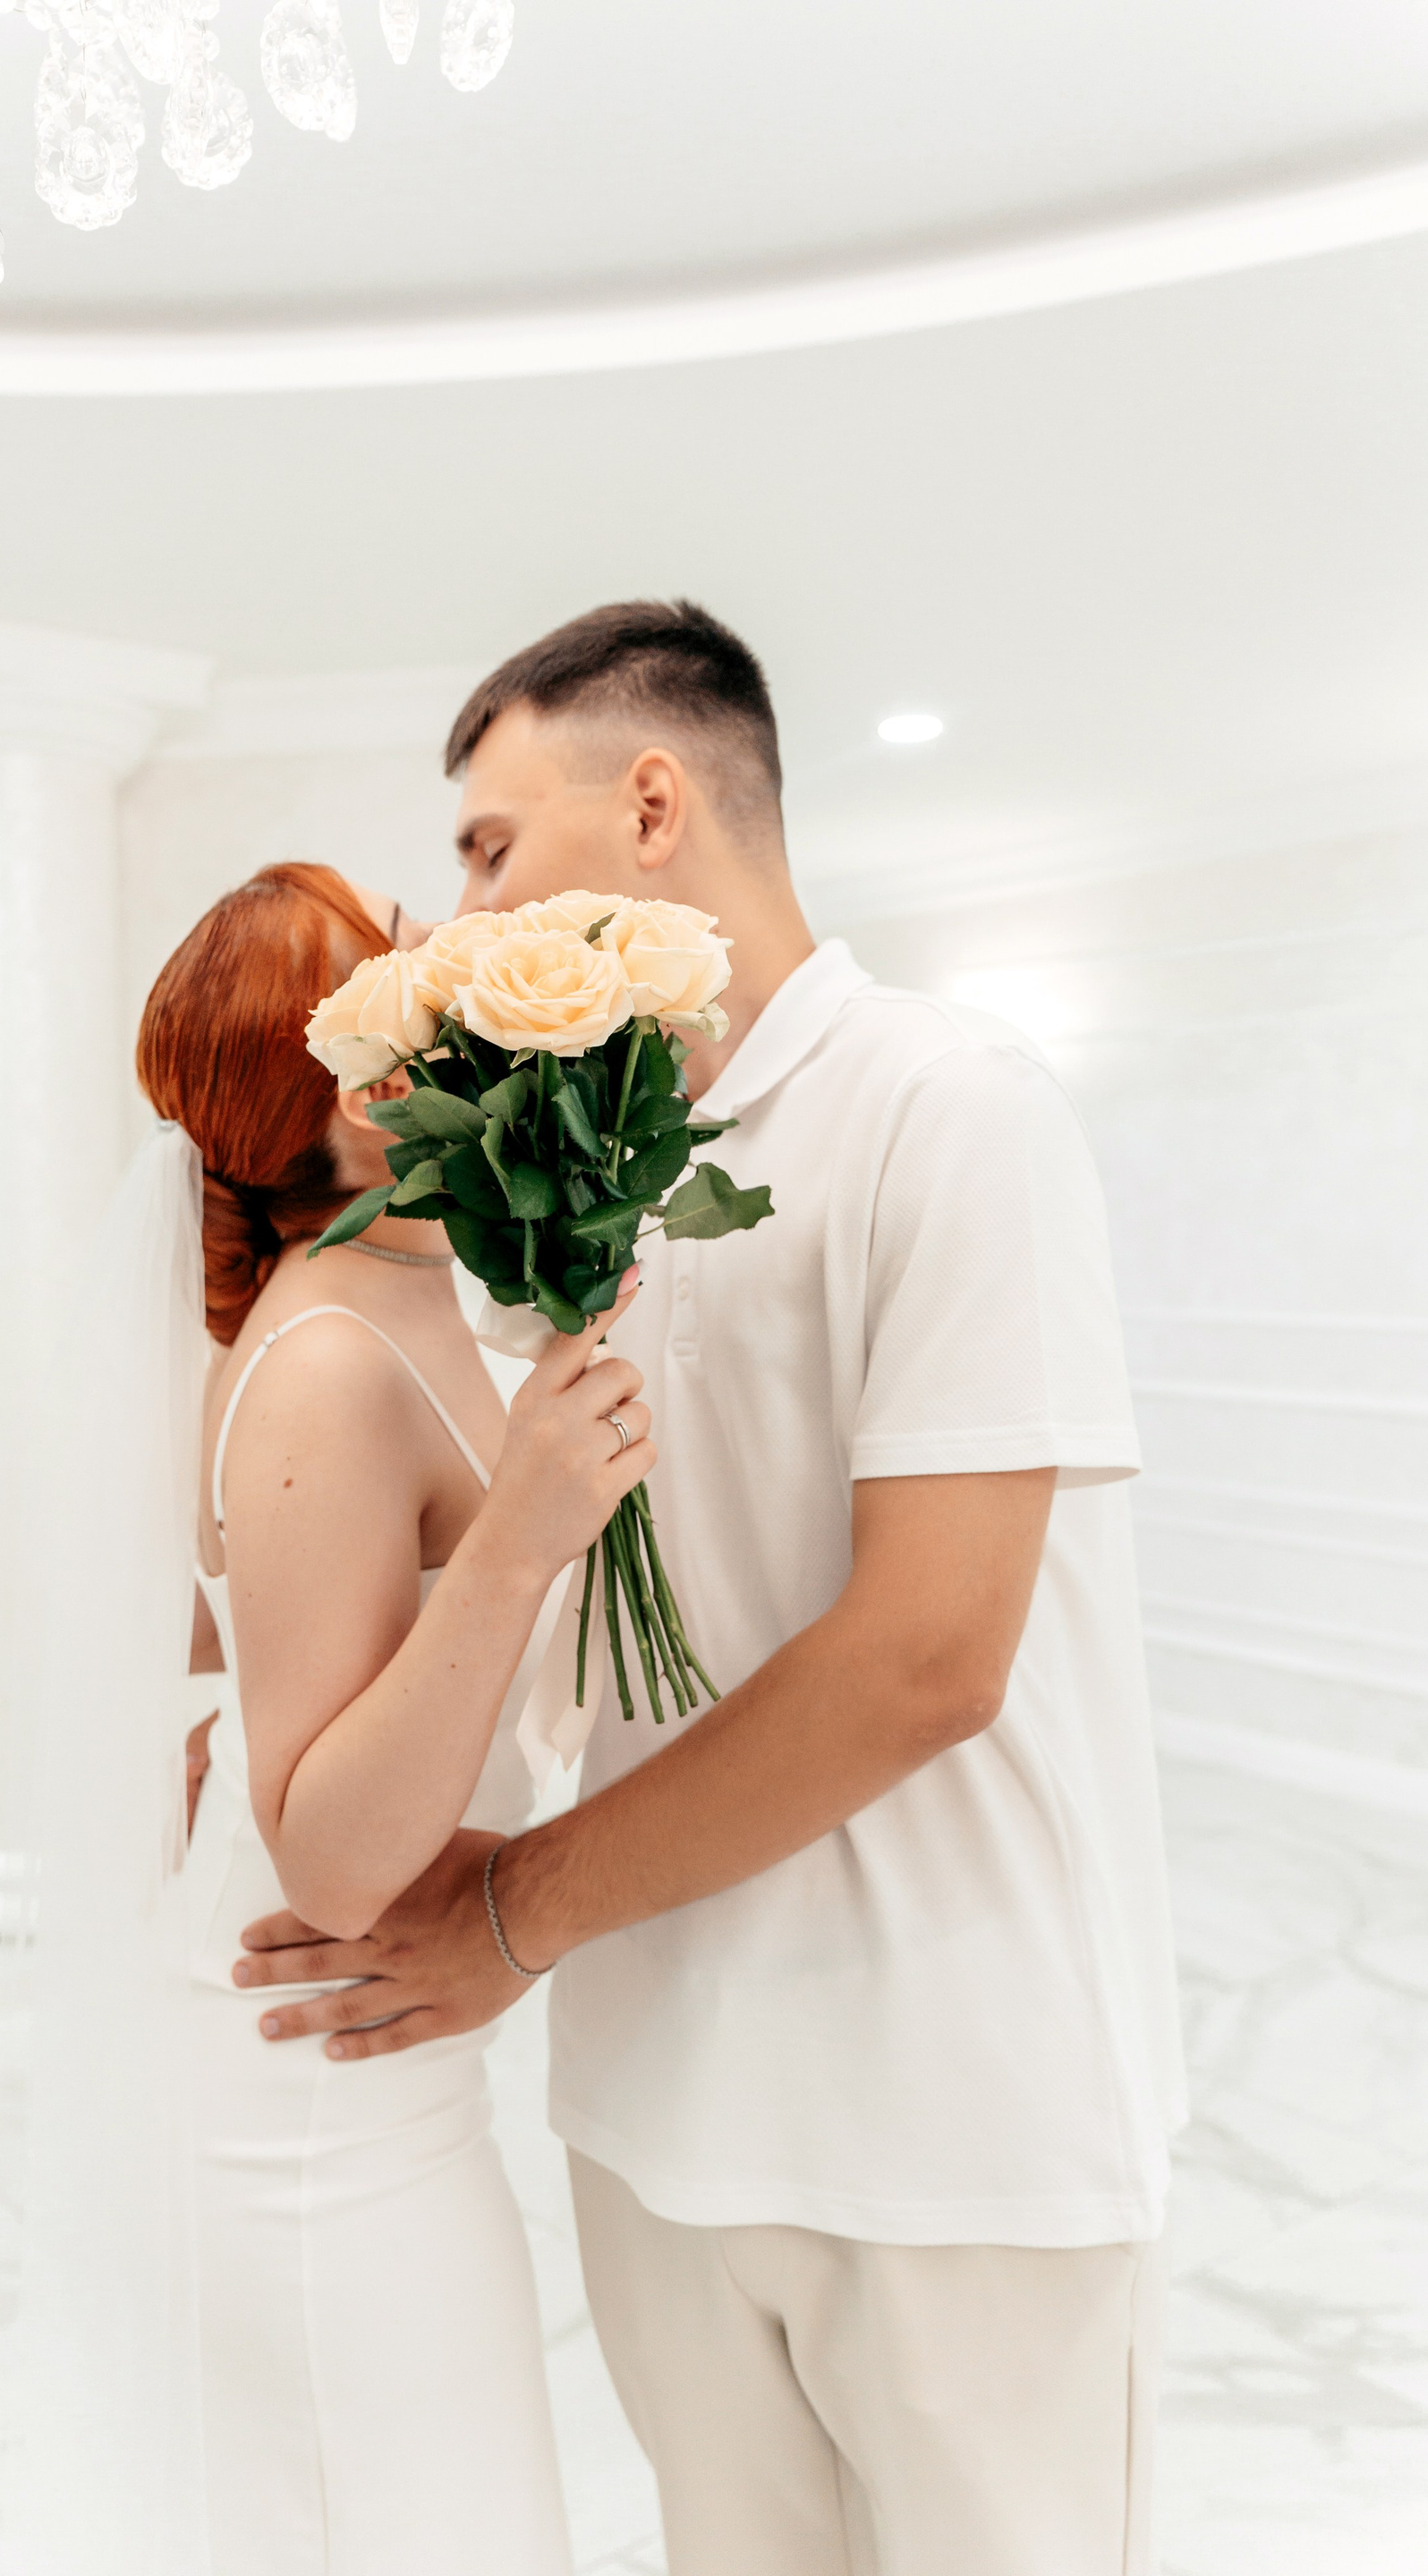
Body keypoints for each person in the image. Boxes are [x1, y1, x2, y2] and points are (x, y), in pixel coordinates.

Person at [234, 605, 1188, 2576]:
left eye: (491, 846)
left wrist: (518, 1907)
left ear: (653, 803)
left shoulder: (948, 1105)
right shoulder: (578, 1174)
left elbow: (929, 1659)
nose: (464, 911)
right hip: (657, 2106)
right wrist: (249, 1686)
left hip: (953, 2126)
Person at [133, 860, 655, 2576]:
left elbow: (266, 1641)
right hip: (315, 2090)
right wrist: (515, 1541)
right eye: (410, 980)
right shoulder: (327, 1361)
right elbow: (338, 1871)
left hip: (376, 2076)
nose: (454, 985)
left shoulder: (406, 1292)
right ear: (359, 1093)